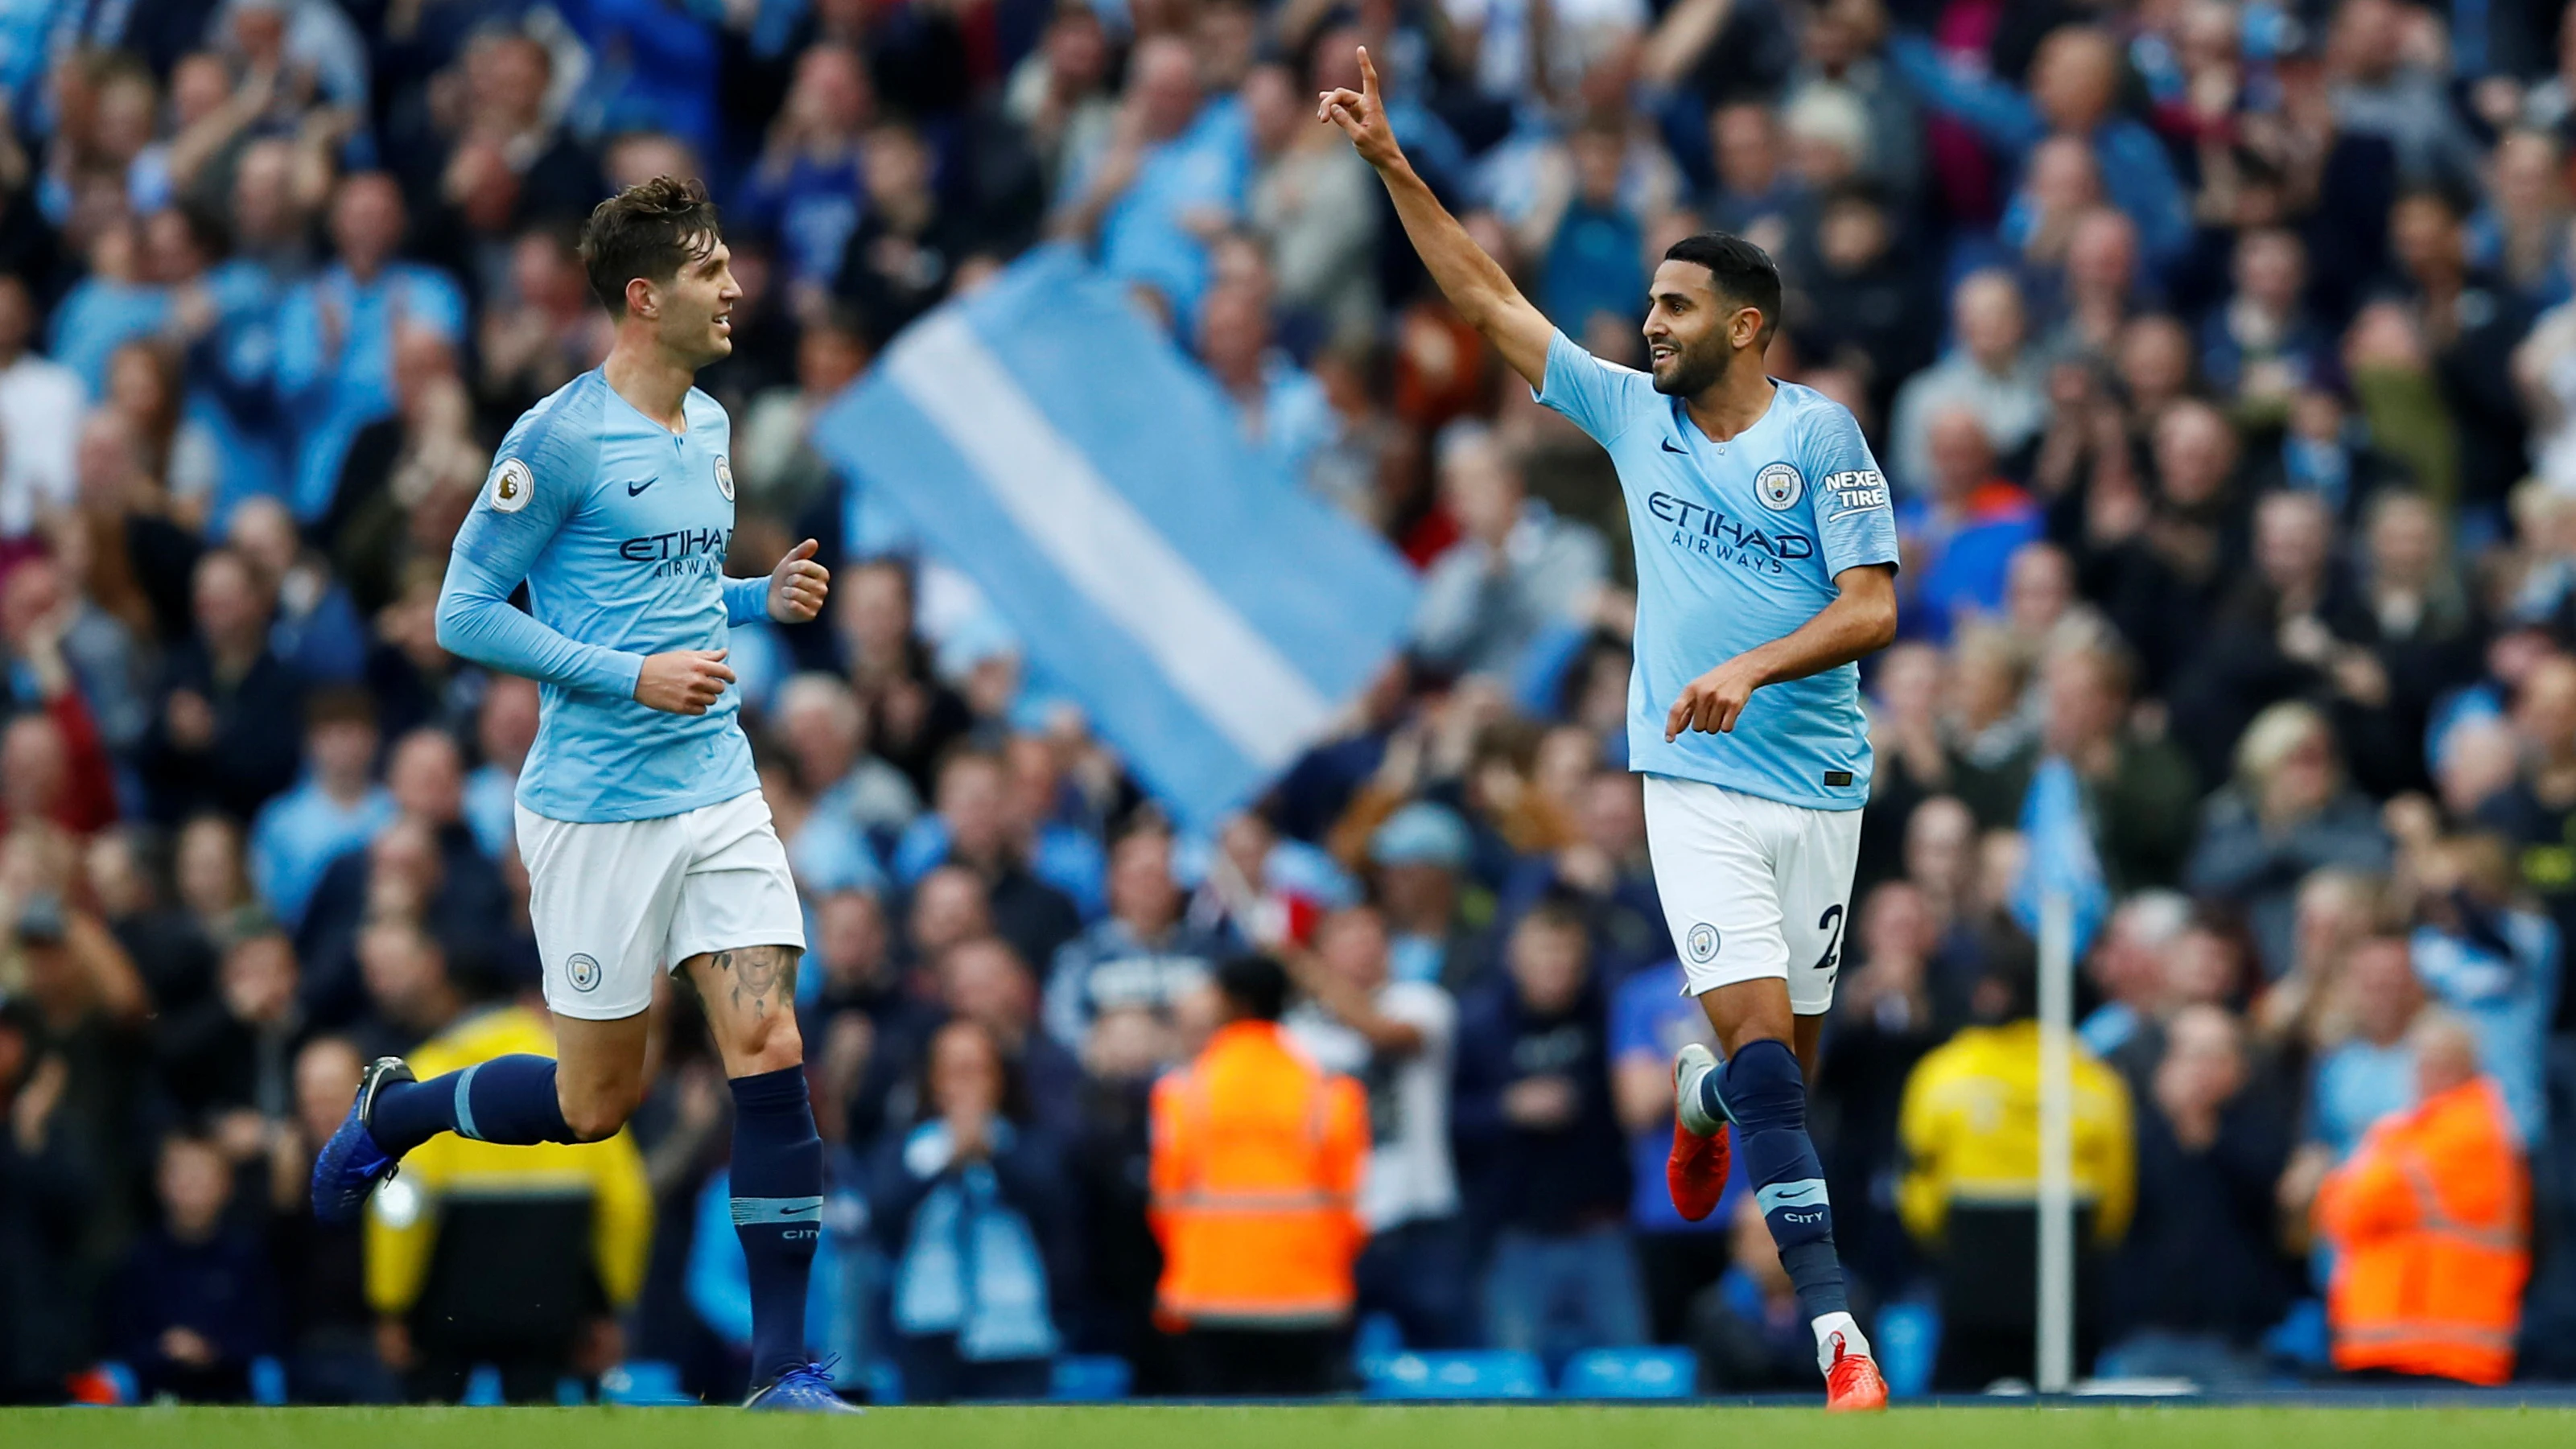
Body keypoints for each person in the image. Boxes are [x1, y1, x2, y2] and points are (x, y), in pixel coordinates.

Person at [1323, 46, 1901, 1408]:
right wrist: (1396, 167)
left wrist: (1755, 665)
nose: (1649, 324)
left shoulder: (1822, 440)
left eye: (1675, 306)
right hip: (1688, 781)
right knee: (1771, 1056)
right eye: (1648, 303)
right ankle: (1839, 1339)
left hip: (1816, 784)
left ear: (1746, 324)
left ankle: (1698, 1104)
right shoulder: (1631, 418)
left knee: (1772, 1091)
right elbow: (1485, 300)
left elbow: (1873, 609)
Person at [307, 177, 855, 1412]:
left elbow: (665, 598)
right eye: (713, 271)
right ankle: (407, 1112)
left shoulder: (707, 426)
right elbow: (463, 613)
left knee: (769, 1044)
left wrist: (754, 598)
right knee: (591, 1103)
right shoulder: (554, 439)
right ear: (646, 295)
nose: (736, 288)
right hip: (595, 810)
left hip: (716, 784)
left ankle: (783, 1372)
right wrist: (630, 675)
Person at [1149, 954, 1367, 1397]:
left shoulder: (1183, 1092)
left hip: (1208, 1294)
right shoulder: (1330, 1091)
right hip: (1307, 1296)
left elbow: (1165, 1200)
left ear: (1229, 1003)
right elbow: (1352, 1204)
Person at [2314, 1012, 2530, 1386]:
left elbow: (2354, 1208)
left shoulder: (2464, 1133)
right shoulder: (2435, 1129)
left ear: (2464, 1067)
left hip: (2438, 1346)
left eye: (2439, 1061)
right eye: (2422, 1060)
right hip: (2407, 1341)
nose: (2425, 1072)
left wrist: (2344, 1178)